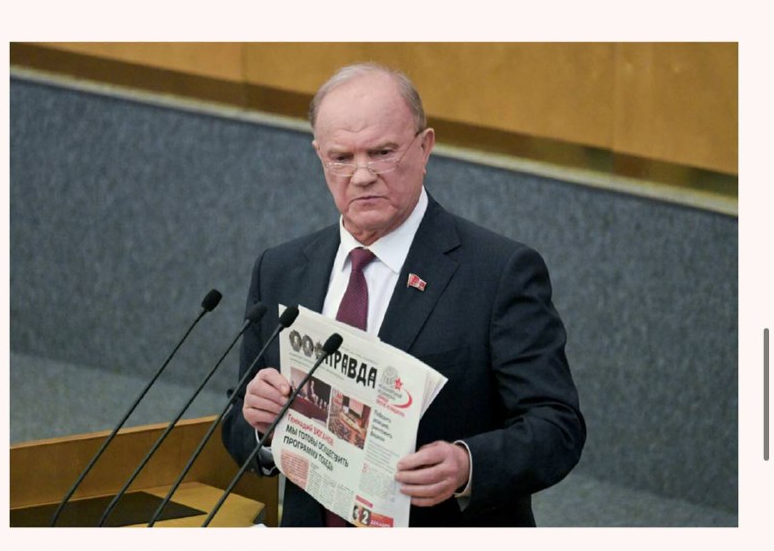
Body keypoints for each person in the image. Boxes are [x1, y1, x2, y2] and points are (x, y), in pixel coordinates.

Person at [222, 62, 585, 527]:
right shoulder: (281, 269)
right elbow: (238, 418)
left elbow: (557, 427)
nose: (362, 175)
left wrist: (468, 464)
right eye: (341, 157)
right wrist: (262, 430)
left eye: (382, 152)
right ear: (319, 157)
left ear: (425, 147)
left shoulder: (499, 272)